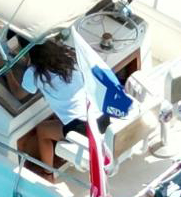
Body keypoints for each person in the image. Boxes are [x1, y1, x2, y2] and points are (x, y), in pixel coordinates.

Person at [19, 35, 112, 174]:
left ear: (28, 53)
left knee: (42, 130)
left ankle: (48, 173)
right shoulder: (69, 56)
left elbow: (19, 94)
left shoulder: (33, 73)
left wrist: (8, 71)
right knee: (61, 118)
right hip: (102, 118)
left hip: (84, 129)